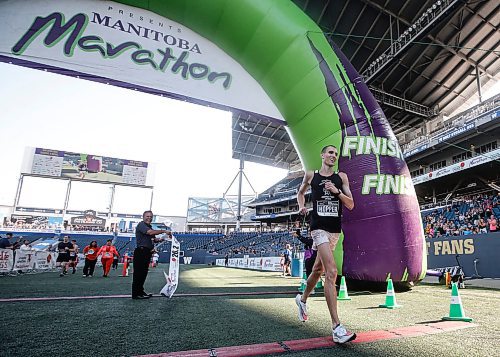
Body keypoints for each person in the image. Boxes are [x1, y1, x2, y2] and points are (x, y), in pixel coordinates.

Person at [295, 145, 356, 344]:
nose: (333, 156)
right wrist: (302, 206)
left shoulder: (342, 178)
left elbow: (350, 204)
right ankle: (337, 328)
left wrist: (336, 191)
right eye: (330, 152)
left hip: (334, 230)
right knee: (331, 272)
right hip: (318, 227)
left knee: (317, 269)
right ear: (322, 155)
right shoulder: (311, 175)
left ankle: (302, 300)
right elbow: (300, 193)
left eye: (335, 154)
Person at [132, 210, 170, 300]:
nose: (149, 218)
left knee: (143, 273)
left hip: (147, 252)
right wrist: (164, 231)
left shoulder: (149, 227)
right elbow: (150, 233)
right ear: (143, 217)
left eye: (151, 216)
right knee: (139, 274)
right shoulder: (142, 225)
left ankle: (140, 291)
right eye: (147, 216)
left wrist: (162, 239)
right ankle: (136, 294)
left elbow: (154, 239)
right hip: (141, 251)